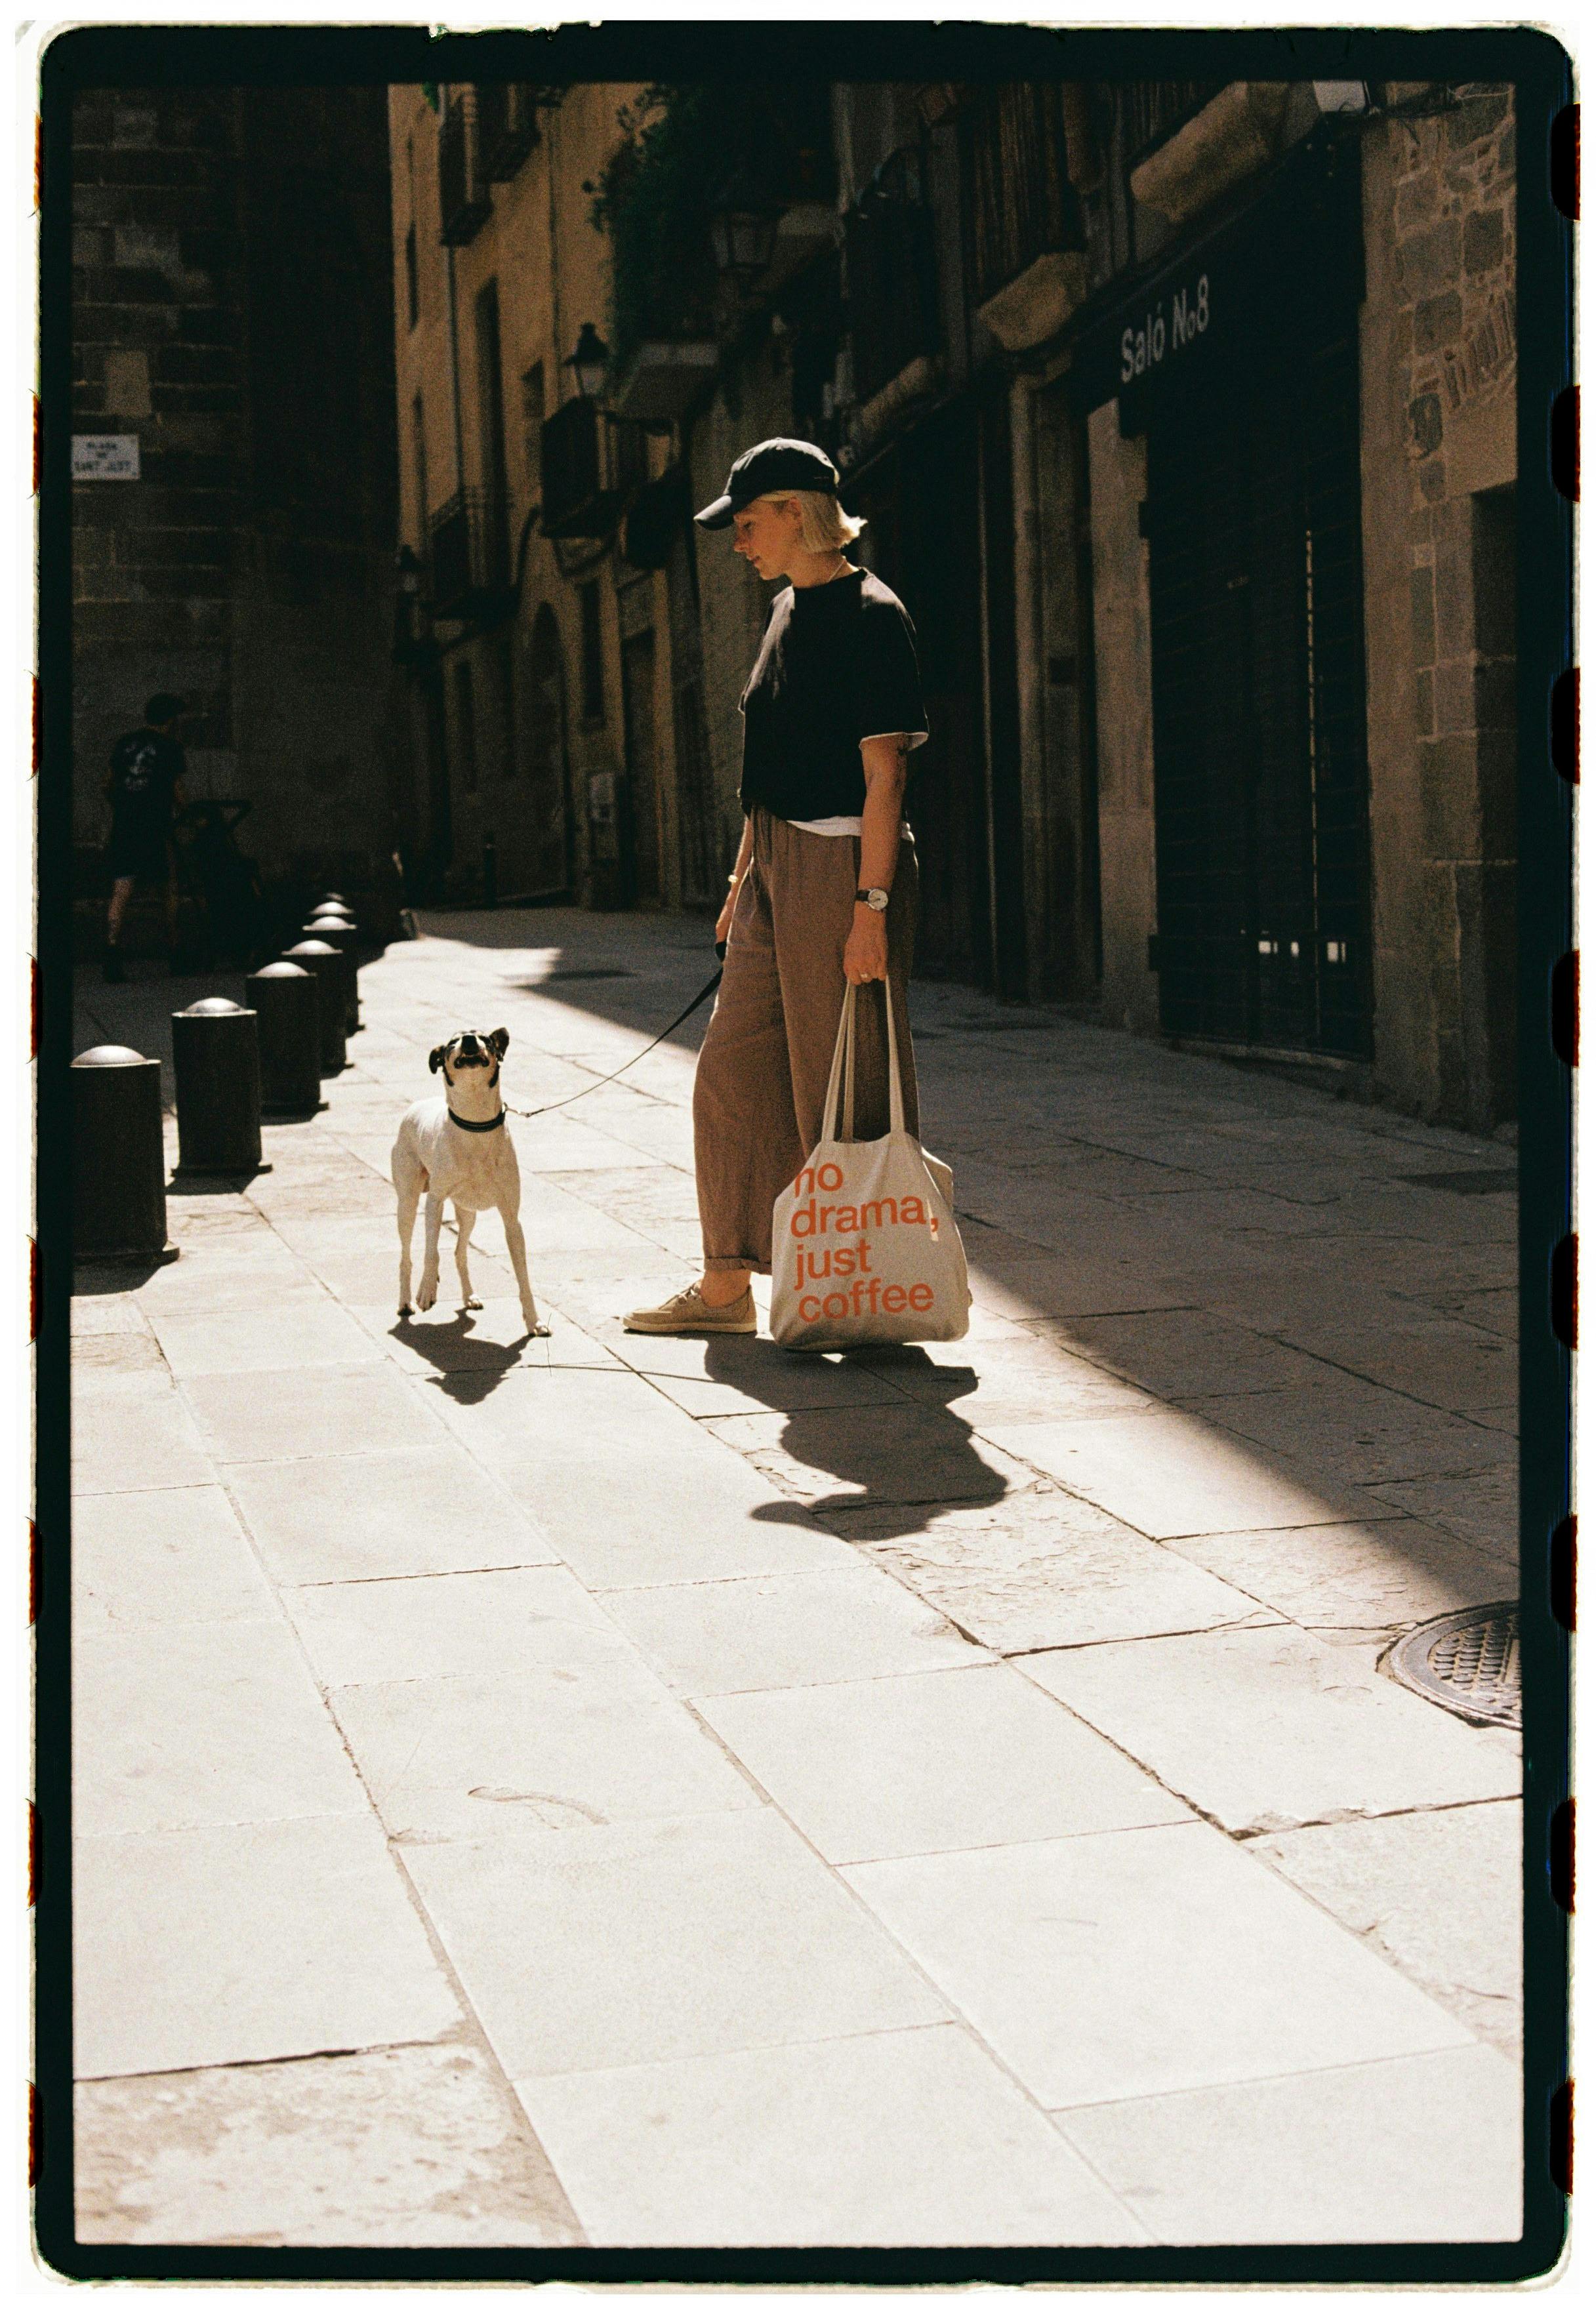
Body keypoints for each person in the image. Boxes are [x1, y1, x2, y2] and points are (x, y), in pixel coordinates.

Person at [625, 438, 929, 1337]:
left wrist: (869, 909)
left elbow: (886, 780)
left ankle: (860, 1288)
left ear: (796, 511)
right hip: (771, 866)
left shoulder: (875, 616)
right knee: (730, 1076)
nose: (736, 542)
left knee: (838, 1085)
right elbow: (772, 763)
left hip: (841, 869)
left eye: (747, 523)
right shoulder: (787, 611)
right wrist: (741, 877)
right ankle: (727, 1282)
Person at [102, 693, 188, 982]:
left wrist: (125, 806)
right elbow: (177, 793)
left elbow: (109, 784)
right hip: (155, 826)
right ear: (171, 719)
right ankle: (176, 952)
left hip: (125, 824)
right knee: (168, 887)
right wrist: (189, 816)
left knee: (121, 890)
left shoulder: (125, 744)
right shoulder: (171, 748)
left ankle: (111, 952)